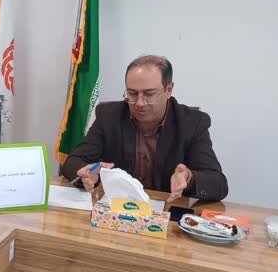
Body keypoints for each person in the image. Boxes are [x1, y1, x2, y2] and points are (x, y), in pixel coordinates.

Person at [62, 55, 228, 202]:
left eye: (149, 94)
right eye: (132, 93)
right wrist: (84, 173)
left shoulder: (192, 123)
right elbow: (73, 161)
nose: (139, 103)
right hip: (116, 210)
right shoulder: (109, 116)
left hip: (166, 213)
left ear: (169, 90)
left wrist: (189, 178)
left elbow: (218, 184)